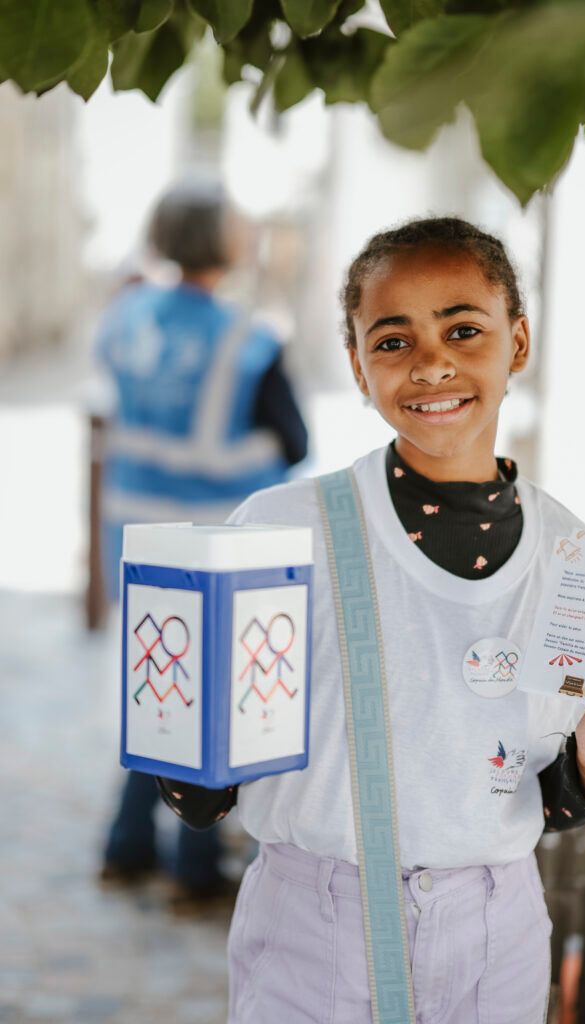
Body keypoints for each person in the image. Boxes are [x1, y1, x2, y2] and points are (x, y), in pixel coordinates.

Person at [157, 217, 585, 1021]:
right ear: (359, 367)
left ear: (519, 341)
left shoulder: (581, 560)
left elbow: (538, 805)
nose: (432, 362)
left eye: (464, 330)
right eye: (392, 342)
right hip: (311, 929)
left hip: (495, 936)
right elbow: (197, 800)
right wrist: (184, 734)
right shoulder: (277, 531)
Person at [98, 180, 308, 907]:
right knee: (213, 703)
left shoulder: (123, 315)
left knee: (158, 680)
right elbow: (296, 441)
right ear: (223, 241)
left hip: (131, 533)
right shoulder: (249, 335)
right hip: (219, 542)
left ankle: (125, 848)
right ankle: (190, 868)